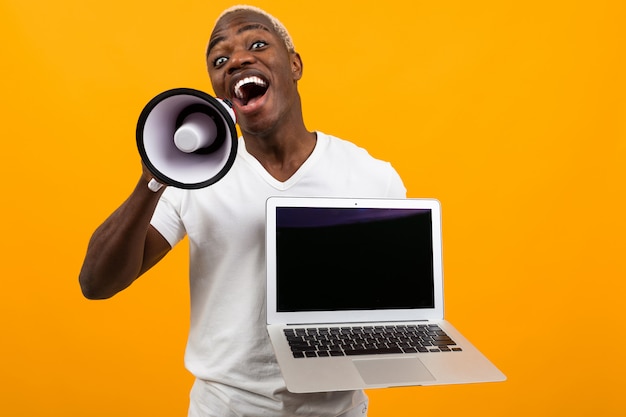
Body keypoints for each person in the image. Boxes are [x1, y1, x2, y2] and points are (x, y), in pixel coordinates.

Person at [79, 5, 406, 417]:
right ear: (220, 92)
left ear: (294, 64)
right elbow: (96, 283)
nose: (236, 60)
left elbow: (395, 304)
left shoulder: (371, 176)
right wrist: (153, 179)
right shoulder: (194, 178)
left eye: (256, 43)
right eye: (220, 60)